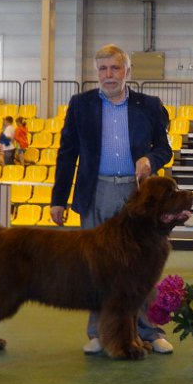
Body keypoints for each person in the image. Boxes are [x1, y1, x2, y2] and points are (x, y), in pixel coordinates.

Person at [50, 43, 174, 356]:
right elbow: (67, 155)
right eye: (103, 69)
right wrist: (58, 199)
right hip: (95, 193)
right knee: (95, 268)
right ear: (97, 72)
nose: (109, 75)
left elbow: (164, 148)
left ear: (127, 71)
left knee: (141, 268)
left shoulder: (149, 105)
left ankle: (148, 330)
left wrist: (149, 159)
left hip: (135, 197)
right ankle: (98, 333)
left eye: (115, 68)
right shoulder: (80, 105)